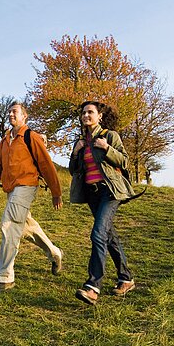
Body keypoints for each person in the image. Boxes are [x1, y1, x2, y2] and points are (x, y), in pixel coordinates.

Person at [0, 101, 63, 292]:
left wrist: (56, 193)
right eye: (9, 111)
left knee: (9, 224)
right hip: (11, 189)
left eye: (15, 111)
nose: (11, 114)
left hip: (26, 186)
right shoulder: (5, 141)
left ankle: (4, 278)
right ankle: (55, 253)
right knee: (26, 227)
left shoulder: (31, 137)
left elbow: (46, 165)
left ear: (24, 116)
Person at [69, 100, 136, 306]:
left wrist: (107, 148)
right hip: (92, 194)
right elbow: (74, 170)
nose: (86, 116)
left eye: (90, 112)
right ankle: (126, 278)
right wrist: (75, 152)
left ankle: (93, 286)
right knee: (108, 235)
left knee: (98, 233)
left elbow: (125, 162)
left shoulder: (109, 136)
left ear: (99, 116)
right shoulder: (80, 142)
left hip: (110, 192)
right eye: (84, 113)